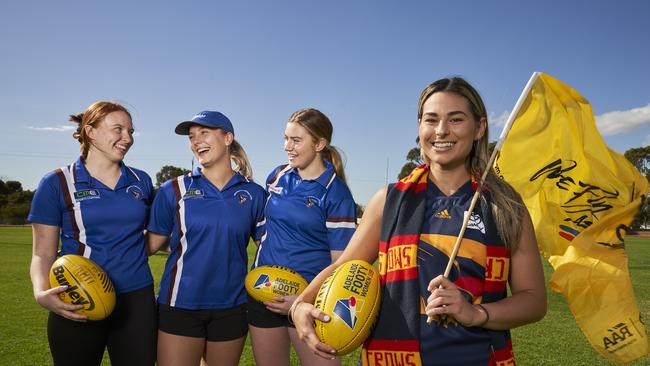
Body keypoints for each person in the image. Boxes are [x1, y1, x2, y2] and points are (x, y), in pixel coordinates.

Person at [291, 77, 547, 365]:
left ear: (479, 128)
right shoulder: (388, 200)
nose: (441, 131)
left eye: (456, 119)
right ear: (420, 127)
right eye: (431, 119)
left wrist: (477, 313)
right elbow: (343, 266)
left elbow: (533, 299)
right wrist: (301, 305)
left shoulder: (505, 205)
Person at [28, 101, 157, 365]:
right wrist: (41, 292)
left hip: (136, 298)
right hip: (78, 296)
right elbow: (43, 252)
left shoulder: (141, 180)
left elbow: (156, 234)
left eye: (131, 131)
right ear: (90, 131)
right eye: (118, 129)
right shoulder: (57, 182)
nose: (127, 138)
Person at [146, 111, 266, 366]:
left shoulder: (254, 194)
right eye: (192, 136)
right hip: (180, 304)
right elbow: (150, 244)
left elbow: (268, 249)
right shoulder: (174, 189)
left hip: (232, 306)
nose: (196, 140)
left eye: (204, 133)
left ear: (227, 138)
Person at [248, 108, 357, 366]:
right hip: (264, 293)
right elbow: (265, 229)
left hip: (311, 303)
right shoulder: (277, 176)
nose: (288, 146)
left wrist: (301, 300)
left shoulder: (336, 194)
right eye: (286, 138)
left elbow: (340, 263)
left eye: (296, 140)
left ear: (319, 144)